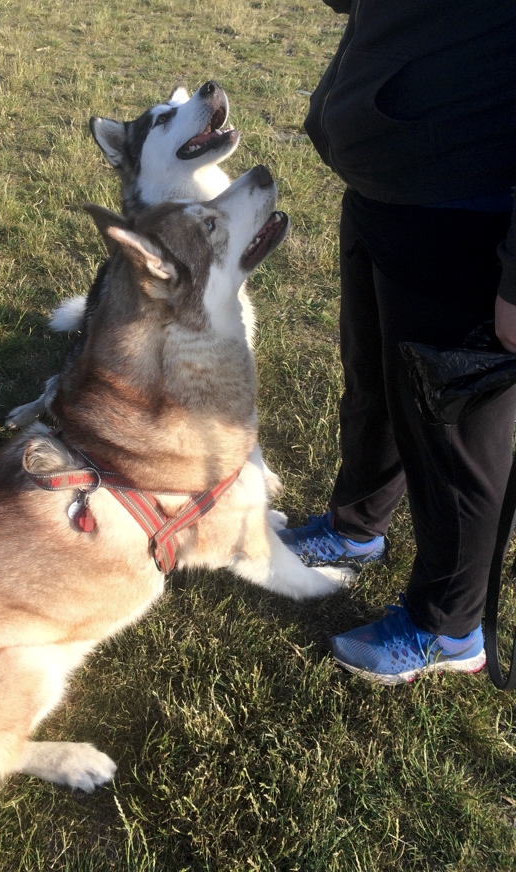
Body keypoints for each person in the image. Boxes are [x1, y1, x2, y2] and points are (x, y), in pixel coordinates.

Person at [277, 0, 516, 684]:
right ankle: (356, 527)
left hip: (469, 213)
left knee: (454, 442)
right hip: (385, 186)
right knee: (377, 386)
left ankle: (448, 627)